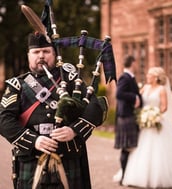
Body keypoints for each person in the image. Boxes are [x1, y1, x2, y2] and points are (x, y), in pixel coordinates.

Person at [0, 32, 108, 189]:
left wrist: (74, 130)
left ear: (55, 54)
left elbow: (95, 107)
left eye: (46, 51)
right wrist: (33, 141)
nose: (41, 56)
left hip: (67, 156)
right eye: (36, 52)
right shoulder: (17, 85)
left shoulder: (71, 80)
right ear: (29, 55)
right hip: (31, 159)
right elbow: (4, 120)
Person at [122, 66, 172, 188]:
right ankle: (139, 177)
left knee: (159, 150)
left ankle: (160, 177)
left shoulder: (161, 90)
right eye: (147, 75)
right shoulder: (145, 88)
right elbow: (137, 99)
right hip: (145, 123)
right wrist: (140, 112)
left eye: (149, 75)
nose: (147, 77)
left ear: (156, 77)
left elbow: (164, 107)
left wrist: (154, 115)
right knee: (142, 150)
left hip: (156, 122)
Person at [113, 55, 142, 185]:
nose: (137, 65)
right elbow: (119, 94)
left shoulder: (129, 77)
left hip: (127, 115)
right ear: (133, 63)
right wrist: (135, 97)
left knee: (129, 147)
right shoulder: (125, 77)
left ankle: (126, 176)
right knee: (126, 148)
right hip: (125, 116)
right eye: (136, 63)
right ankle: (124, 177)